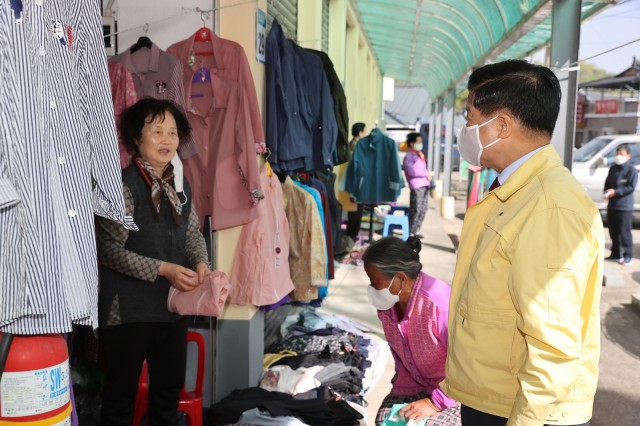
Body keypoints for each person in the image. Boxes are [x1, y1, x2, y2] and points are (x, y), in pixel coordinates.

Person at [442, 60, 604, 426]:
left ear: (501, 125)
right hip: (496, 395)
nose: (465, 129)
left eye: (470, 117)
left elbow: (554, 346)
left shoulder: (549, 206)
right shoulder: (519, 190)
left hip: (520, 409)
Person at [96, 98, 210, 426]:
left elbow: (192, 236)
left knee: (168, 392)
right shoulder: (122, 186)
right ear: (136, 138)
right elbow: (110, 251)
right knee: (121, 395)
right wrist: (164, 269)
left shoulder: (180, 183)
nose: (166, 140)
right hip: (126, 310)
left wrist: (201, 263)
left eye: (172, 132)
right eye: (156, 131)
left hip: (171, 308)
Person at [362, 236, 460, 426]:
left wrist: (435, 402)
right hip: (412, 384)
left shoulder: (439, 304)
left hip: (453, 390)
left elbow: (465, 362)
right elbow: (400, 355)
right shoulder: (387, 305)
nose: (372, 287)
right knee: (385, 421)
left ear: (400, 278)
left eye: (374, 281)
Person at [603, 143, 638, 265]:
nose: (618, 156)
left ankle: (628, 256)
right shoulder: (613, 169)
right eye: (617, 154)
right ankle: (615, 254)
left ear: (628, 156)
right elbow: (607, 184)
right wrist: (606, 192)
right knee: (613, 232)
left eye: (621, 154)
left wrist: (616, 192)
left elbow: (630, 187)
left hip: (624, 207)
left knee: (625, 233)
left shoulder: (632, 171)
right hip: (612, 206)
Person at [402, 132, 433, 238]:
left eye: (421, 141)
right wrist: (425, 174)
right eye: (418, 141)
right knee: (416, 209)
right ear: (411, 143)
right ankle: (411, 231)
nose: (420, 143)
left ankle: (417, 230)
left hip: (425, 185)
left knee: (423, 209)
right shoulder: (409, 156)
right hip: (416, 185)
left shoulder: (419, 155)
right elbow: (411, 171)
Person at [346, 122, 367, 241]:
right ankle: (352, 236)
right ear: (360, 133)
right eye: (364, 131)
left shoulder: (352, 144)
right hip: (356, 183)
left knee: (355, 211)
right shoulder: (356, 145)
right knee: (355, 212)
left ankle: (352, 235)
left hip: (354, 183)